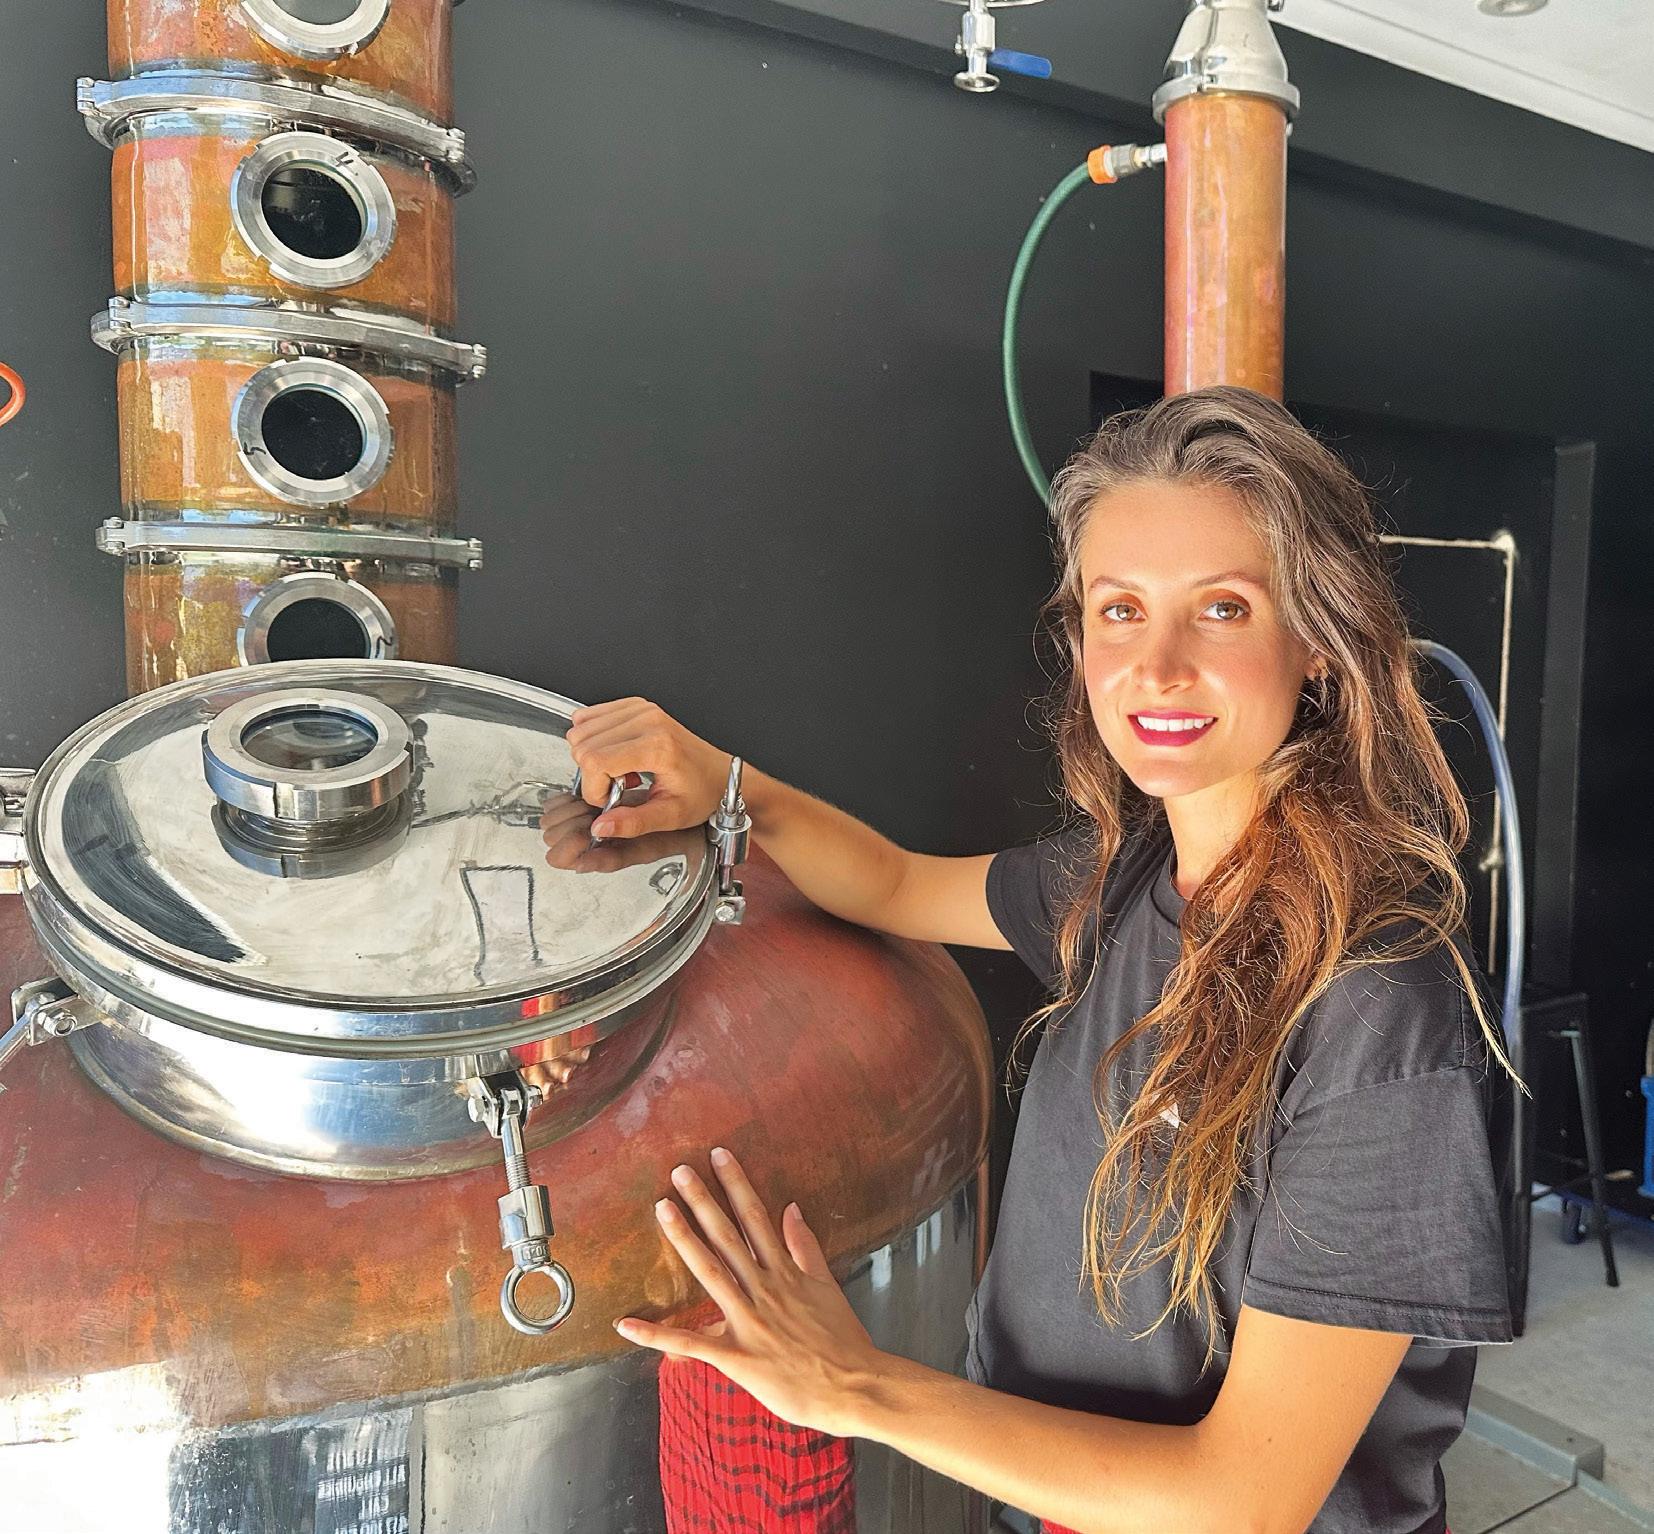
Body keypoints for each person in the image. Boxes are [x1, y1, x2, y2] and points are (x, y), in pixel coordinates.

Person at [549, 385, 1514, 1534]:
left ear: (1316, 642)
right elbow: (895, 882)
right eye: (1119, 610)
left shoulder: (1377, 1006)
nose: (1155, 665)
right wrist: (722, 786)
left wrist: (854, 1385)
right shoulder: (1128, 874)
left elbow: (1243, 1501)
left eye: (1220, 609)